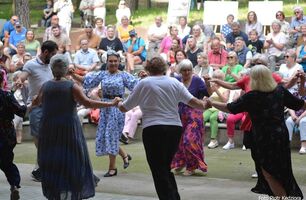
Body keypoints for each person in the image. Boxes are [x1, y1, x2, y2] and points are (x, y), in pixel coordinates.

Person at [206, 65, 305, 199]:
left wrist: (211, 103)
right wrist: (302, 84)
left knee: (268, 172)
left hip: (263, 138)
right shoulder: (279, 91)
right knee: (283, 169)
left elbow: (231, 108)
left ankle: (282, 197)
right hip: (280, 135)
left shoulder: (252, 96)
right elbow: (299, 104)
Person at [118, 56, 209, 200]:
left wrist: (117, 102)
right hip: (174, 128)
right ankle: (174, 196)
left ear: (148, 69)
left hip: (153, 129)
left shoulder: (144, 83)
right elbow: (193, 101)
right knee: (165, 167)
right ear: (164, 68)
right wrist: (205, 104)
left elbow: (124, 107)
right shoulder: (174, 82)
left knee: (158, 169)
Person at [35, 54, 120, 200]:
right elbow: (88, 103)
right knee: (73, 158)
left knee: (54, 159)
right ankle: (72, 191)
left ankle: (56, 191)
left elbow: (36, 102)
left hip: (49, 129)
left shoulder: (46, 86)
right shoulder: (71, 86)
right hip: (68, 129)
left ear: (51, 68)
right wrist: (110, 104)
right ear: (66, 68)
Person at [70, 50, 137, 177]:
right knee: (107, 136)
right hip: (105, 107)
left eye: (115, 61)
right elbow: (86, 81)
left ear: (119, 62)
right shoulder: (102, 74)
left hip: (117, 108)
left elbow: (137, 85)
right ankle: (125, 155)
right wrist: (73, 75)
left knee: (111, 135)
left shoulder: (124, 75)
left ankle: (112, 167)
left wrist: (145, 77)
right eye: (110, 61)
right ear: (106, 62)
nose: (113, 63)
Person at [16, 40, 58, 182]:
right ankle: (41, 167)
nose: (54, 57)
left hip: (52, 106)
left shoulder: (52, 65)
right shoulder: (31, 64)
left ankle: (40, 168)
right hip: (36, 107)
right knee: (38, 137)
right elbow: (22, 77)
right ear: (45, 52)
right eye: (53, 54)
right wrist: (19, 81)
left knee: (51, 139)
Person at [170, 59, 209, 176]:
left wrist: (207, 83)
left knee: (189, 139)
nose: (187, 72)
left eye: (189, 70)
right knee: (179, 141)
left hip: (194, 114)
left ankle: (192, 166)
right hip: (179, 114)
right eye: (184, 70)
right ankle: (181, 163)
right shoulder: (176, 80)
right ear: (180, 71)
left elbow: (209, 93)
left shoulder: (197, 80)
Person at [0, 70, 27, 200]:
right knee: (7, 162)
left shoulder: (7, 95)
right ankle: (14, 185)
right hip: (6, 134)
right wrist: (31, 104)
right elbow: (20, 111)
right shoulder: (7, 96)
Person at [203, 70, 229, 149]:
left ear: (222, 78)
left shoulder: (225, 88)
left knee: (212, 118)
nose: (217, 79)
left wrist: (217, 90)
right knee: (202, 117)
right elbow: (210, 94)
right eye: (215, 78)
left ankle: (213, 140)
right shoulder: (212, 86)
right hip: (211, 108)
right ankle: (199, 138)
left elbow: (225, 100)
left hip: (220, 109)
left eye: (219, 78)